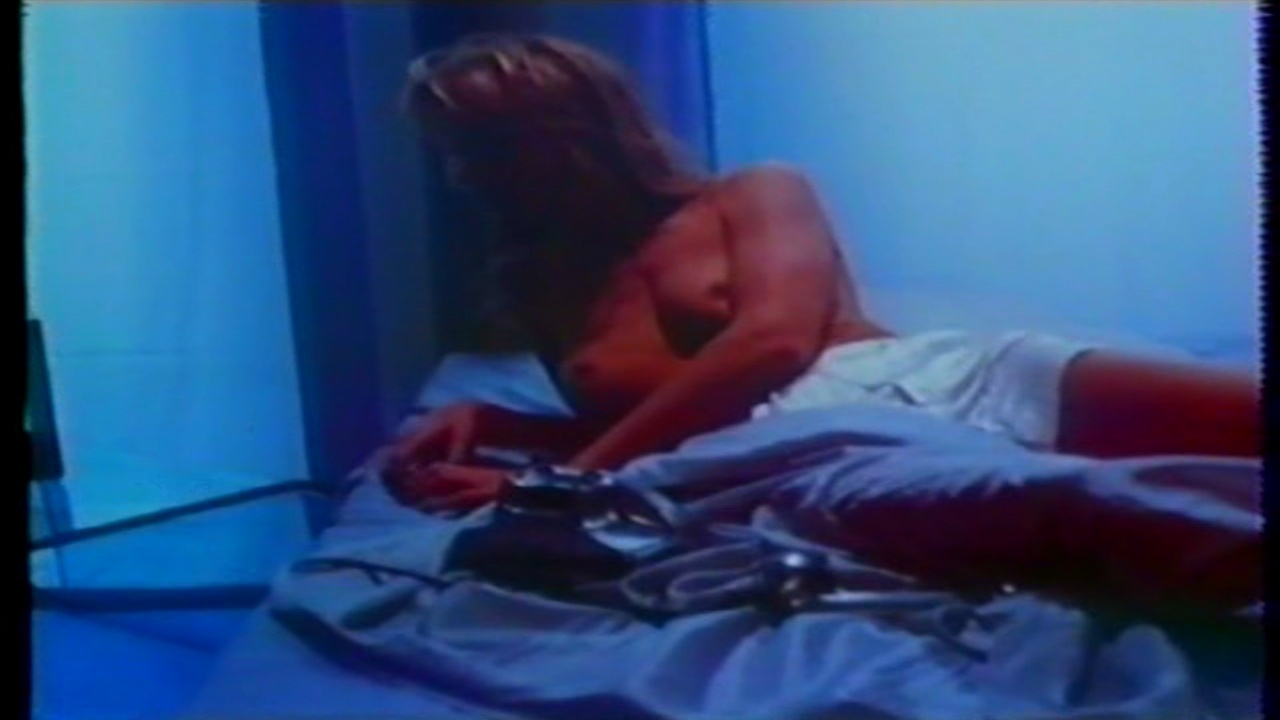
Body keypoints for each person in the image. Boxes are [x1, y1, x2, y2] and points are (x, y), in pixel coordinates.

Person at [384, 34, 1259, 513]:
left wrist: (570, 486)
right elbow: (644, 421)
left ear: (581, 129)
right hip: (813, 458)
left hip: (938, 383)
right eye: (458, 152)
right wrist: (504, 423)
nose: (470, 175)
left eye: (495, 144)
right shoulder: (538, 283)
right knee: (1150, 525)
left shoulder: (752, 193)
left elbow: (772, 341)